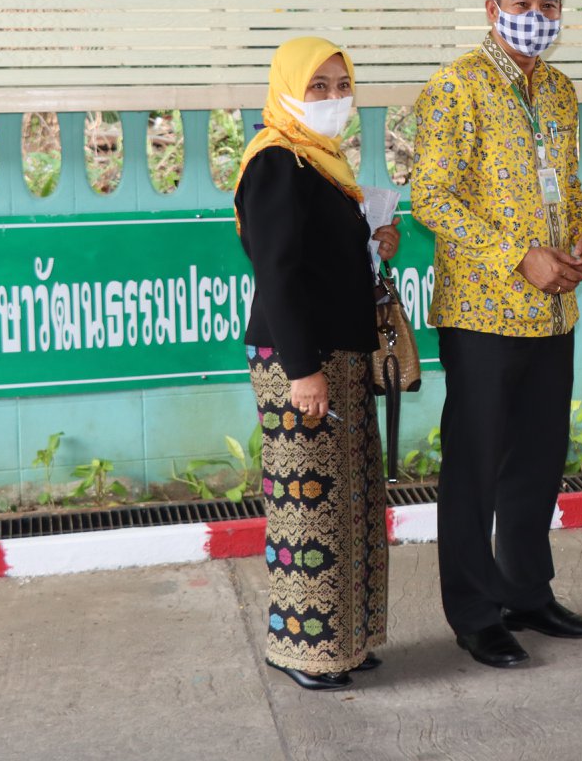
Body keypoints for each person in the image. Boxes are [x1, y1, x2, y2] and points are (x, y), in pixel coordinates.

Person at [410, 0, 582, 670]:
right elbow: (431, 198)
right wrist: (517, 256)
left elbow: (565, 186)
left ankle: (527, 593)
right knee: (475, 469)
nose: (537, 17)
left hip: (553, 312)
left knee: (537, 460)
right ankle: (474, 613)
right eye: (523, 4)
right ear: (493, 9)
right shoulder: (456, 85)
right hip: (483, 313)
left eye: (549, 5)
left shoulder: (558, 89)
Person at [234, 36, 399, 692]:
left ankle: (347, 639)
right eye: (318, 86)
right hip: (298, 360)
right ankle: (304, 649)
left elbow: (324, 258)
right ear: (287, 90)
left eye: (341, 85)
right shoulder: (276, 161)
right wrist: (303, 370)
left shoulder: (321, 161)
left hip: (341, 354)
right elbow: (277, 275)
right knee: (308, 510)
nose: (334, 98)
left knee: (351, 502)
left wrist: (374, 241)